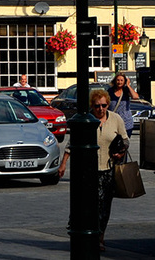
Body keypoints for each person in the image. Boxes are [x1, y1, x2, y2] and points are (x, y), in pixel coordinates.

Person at [57, 88, 129, 252]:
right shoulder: (86, 119)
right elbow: (70, 145)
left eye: (103, 105)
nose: (100, 109)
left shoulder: (115, 119)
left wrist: (122, 150)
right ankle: (79, 230)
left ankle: (100, 237)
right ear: (92, 105)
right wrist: (63, 165)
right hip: (87, 171)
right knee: (86, 204)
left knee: (104, 208)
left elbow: (125, 139)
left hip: (108, 169)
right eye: (97, 106)